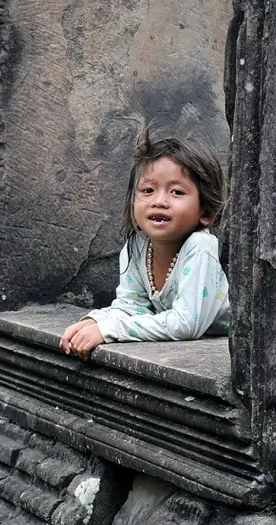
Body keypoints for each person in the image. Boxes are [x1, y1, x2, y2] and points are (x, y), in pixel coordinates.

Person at [60, 131, 230, 358]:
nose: (159, 201)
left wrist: (111, 330)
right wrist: (95, 321)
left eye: (177, 192)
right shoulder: (137, 246)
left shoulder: (201, 248)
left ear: (206, 212)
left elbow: (186, 324)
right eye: (148, 190)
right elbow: (132, 306)